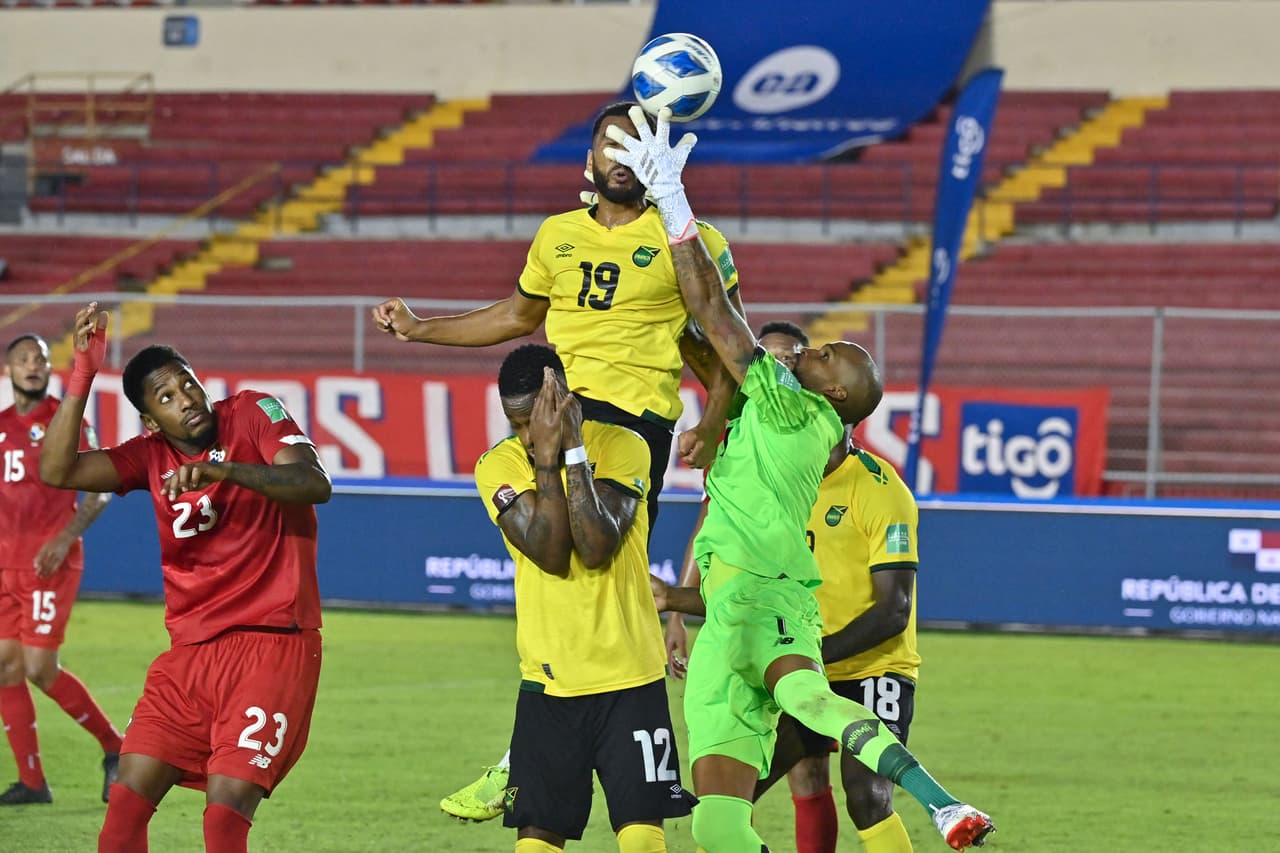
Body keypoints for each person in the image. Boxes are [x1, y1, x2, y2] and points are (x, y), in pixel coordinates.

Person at [609, 106, 995, 851]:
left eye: (824, 355)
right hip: (727, 614)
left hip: (776, 600)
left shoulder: (796, 413)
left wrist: (673, 201)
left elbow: (718, 319)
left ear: (838, 396)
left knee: (816, 707)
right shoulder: (776, 407)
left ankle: (941, 801)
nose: (807, 352)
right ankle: (938, 802)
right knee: (717, 823)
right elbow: (708, 340)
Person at [373, 100, 744, 821]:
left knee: (597, 572)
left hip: (632, 428)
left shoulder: (689, 239)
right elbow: (516, 316)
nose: (622, 156)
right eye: (611, 142)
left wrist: (713, 418)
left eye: (637, 146)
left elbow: (724, 340)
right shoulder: (556, 236)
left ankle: (531, 760)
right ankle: (536, 758)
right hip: (551, 414)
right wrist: (420, 330)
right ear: (589, 161)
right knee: (558, 577)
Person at [38, 303, 331, 853]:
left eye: (187, 385)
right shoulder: (149, 455)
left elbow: (313, 483)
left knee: (223, 817)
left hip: (272, 646)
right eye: (166, 398)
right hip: (189, 657)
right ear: (151, 421)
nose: (186, 400)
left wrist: (225, 469)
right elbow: (57, 470)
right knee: (124, 807)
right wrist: (82, 372)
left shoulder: (253, 411)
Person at [667, 321, 924, 853]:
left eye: (812, 355)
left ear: (831, 393)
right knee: (745, 789)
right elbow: (718, 365)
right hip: (788, 646)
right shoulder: (766, 457)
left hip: (868, 664)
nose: (793, 359)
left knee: (866, 794)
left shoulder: (881, 491)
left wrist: (808, 661)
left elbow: (894, 611)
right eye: (779, 357)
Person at [472, 343, 695, 852]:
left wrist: (569, 450)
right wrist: (550, 458)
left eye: (537, 419)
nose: (528, 436)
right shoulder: (497, 466)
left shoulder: (624, 446)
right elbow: (551, 553)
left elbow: (595, 545)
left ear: (566, 400)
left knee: (642, 839)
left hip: (631, 681)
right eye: (516, 423)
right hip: (549, 685)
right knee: (537, 840)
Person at [0, 333, 120, 805]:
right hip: (4, 565)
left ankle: (117, 748)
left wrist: (66, 536)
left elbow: (101, 489)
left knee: (38, 666)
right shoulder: (1, 425)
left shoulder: (65, 420)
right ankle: (32, 783)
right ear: (8, 371)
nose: (33, 366)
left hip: (49, 562)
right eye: (23, 360)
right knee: (5, 668)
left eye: (41, 360)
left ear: (51, 369)